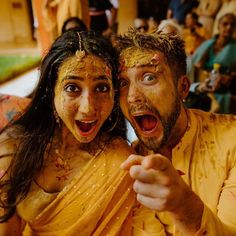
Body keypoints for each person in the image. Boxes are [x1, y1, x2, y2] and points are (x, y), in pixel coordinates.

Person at [0, 30, 138, 235]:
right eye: (73, 88)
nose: (88, 108)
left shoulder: (121, 161)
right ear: (51, 92)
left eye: (101, 88)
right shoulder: (14, 149)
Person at [116, 28, 236, 235]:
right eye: (123, 83)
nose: (132, 97)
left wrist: (183, 206)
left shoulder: (232, 139)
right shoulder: (125, 163)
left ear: (183, 88)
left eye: (148, 78)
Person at [190, 13, 236, 114]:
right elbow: (195, 65)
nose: (229, 27)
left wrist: (230, 77)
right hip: (202, 83)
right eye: (225, 24)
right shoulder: (208, 44)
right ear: (218, 26)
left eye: (232, 25)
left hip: (224, 88)